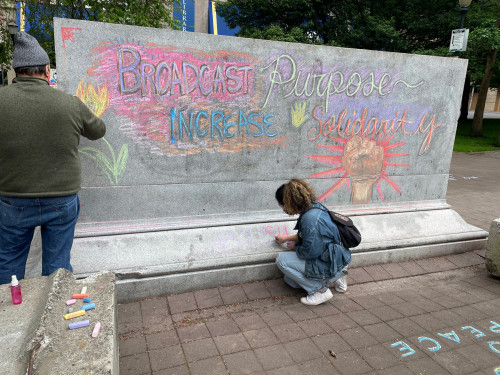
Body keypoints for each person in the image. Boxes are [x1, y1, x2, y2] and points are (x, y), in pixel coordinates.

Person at [0, 32, 106, 285]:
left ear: (16, 72)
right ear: (48, 70)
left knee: (9, 263)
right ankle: (57, 314)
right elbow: (98, 130)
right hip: (61, 198)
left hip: (13, 198)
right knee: (57, 265)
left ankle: (10, 317)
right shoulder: (69, 103)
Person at [275, 179, 351, 305]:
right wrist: (287, 239)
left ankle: (320, 291)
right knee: (290, 281)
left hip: (329, 260)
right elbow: (311, 236)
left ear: (289, 202)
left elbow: (309, 253)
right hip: (337, 256)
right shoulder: (315, 207)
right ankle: (337, 275)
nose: (283, 209)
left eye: (282, 205)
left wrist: (295, 247)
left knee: (281, 260)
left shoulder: (309, 219)